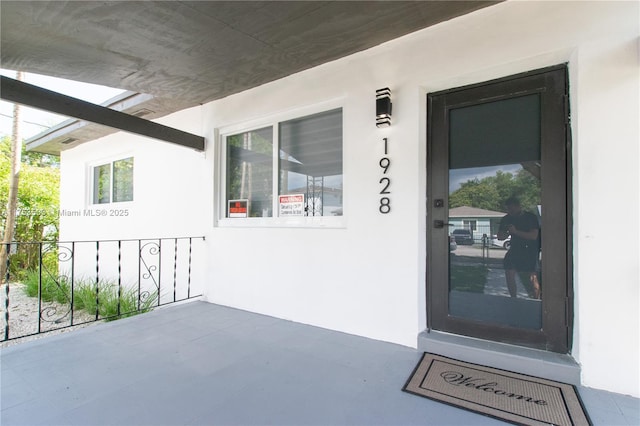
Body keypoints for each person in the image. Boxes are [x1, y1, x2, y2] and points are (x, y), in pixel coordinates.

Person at [497, 197, 541, 299]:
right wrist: (505, 233)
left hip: (529, 249)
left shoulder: (530, 217)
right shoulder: (506, 218)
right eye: (508, 209)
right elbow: (500, 236)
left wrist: (516, 232)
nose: (510, 211)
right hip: (514, 249)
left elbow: (533, 236)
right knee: (509, 271)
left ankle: (536, 300)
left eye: (512, 209)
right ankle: (514, 299)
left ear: (518, 206)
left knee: (532, 276)